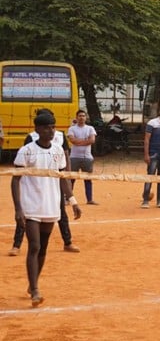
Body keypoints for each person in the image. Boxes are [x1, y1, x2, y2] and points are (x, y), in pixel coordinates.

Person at [11, 111, 82, 306]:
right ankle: (35, 290)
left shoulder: (58, 150)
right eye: (46, 127)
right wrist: (18, 209)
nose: (51, 131)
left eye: (53, 127)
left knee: (43, 247)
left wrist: (73, 200)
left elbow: (61, 179)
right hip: (31, 204)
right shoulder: (27, 151)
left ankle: (32, 282)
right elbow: (15, 180)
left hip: (50, 205)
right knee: (34, 245)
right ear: (37, 129)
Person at [67, 110, 98, 205]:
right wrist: (85, 141)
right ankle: (69, 199)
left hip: (87, 157)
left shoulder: (90, 128)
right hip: (74, 157)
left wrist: (79, 142)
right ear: (76, 117)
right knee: (71, 179)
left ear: (86, 117)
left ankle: (89, 199)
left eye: (83, 116)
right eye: (80, 116)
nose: (81, 117)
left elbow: (92, 140)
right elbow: (72, 140)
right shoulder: (72, 128)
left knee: (88, 179)